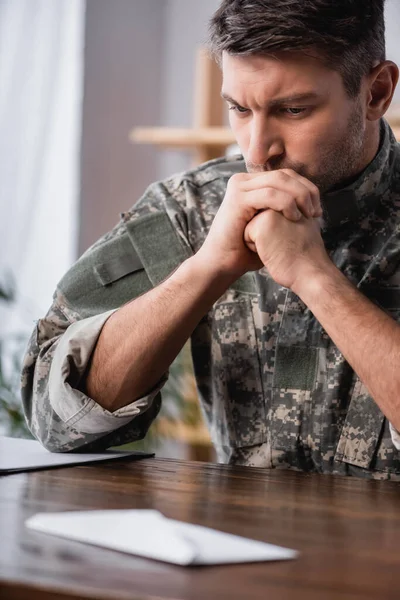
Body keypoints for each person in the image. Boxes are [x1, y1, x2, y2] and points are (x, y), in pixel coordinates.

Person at [22, 0, 400, 479]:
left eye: (294, 109)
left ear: (376, 92)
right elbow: (52, 419)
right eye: (239, 109)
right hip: (238, 547)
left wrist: (315, 278)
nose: (257, 150)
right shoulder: (191, 208)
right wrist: (208, 266)